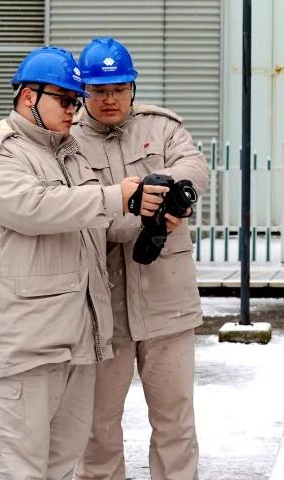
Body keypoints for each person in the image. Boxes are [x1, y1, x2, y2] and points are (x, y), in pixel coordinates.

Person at [0, 46, 162, 480]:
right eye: (64, 99)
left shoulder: (68, 153)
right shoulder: (0, 155)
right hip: (28, 344)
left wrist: (145, 211)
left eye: (76, 101)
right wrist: (114, 197)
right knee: (18, 467)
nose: (74, 109)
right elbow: (34, 208)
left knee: (61, 463)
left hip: (78, 339)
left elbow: (90, 224)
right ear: (28, 97)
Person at [73, 37, 209, 480]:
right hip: (100, 309)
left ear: (133, 87)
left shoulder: (162, 127)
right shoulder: (68, 140)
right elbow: (74, 209)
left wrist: (165, 191)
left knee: (175, 423)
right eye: (99, 90)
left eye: (119, 88)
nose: (110, 99)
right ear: (83, 91)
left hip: (167, 301)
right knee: (96, 429)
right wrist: (134, 211)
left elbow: (195, 167)